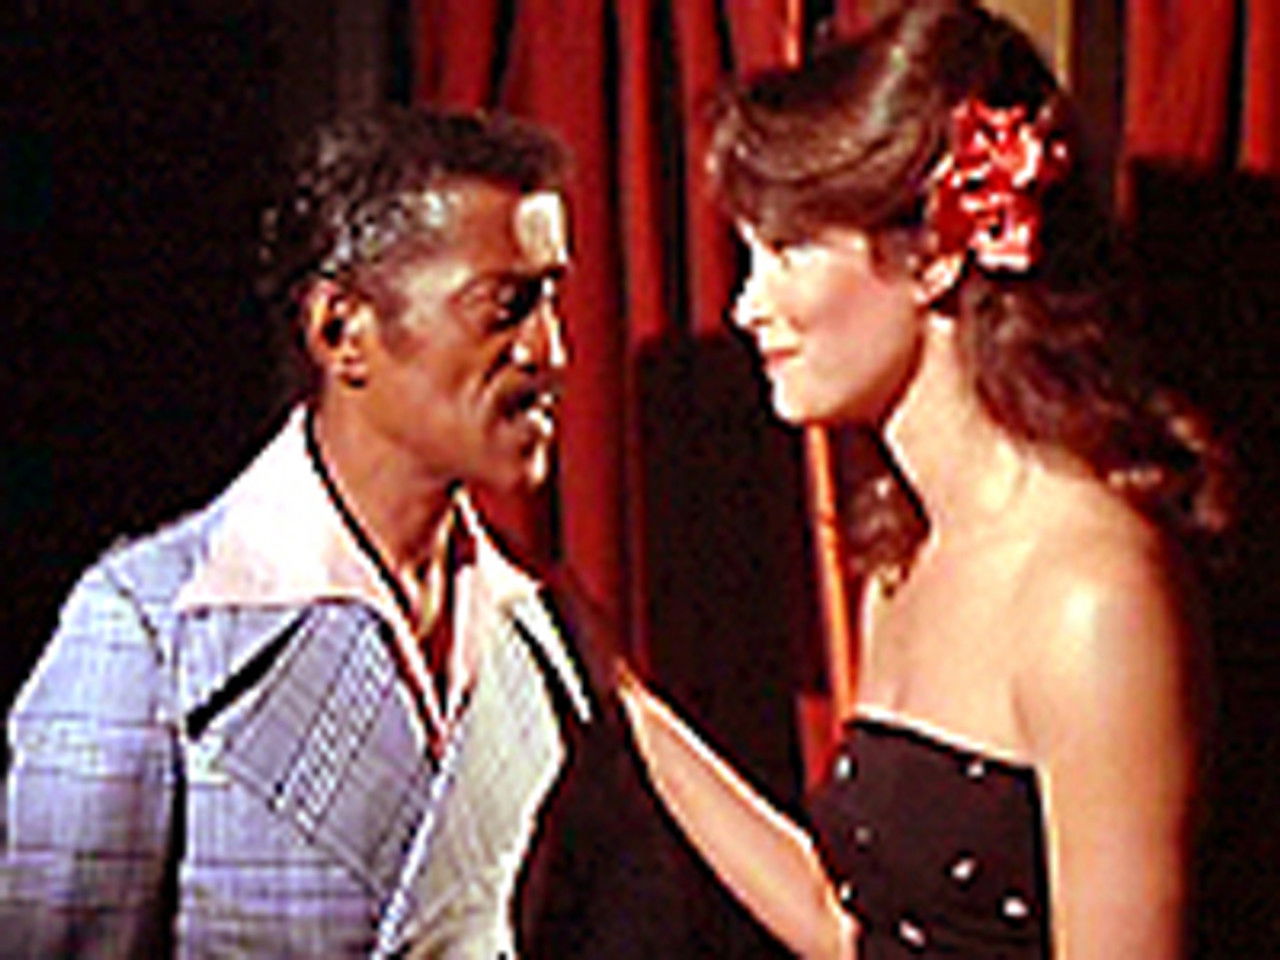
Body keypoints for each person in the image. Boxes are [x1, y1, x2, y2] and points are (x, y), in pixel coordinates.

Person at [617, 1, 1231, 958]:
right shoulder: (904, 560)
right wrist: (620, 699)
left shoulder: (1091, 598)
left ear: (938, 254)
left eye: (788, 251)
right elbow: (846, 929)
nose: (746, 306)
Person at [0, 104, 599, 958]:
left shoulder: (537, 634)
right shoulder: (148, 631)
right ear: (340, 331)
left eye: (552, 299)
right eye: (507, 306)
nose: (551, 351)